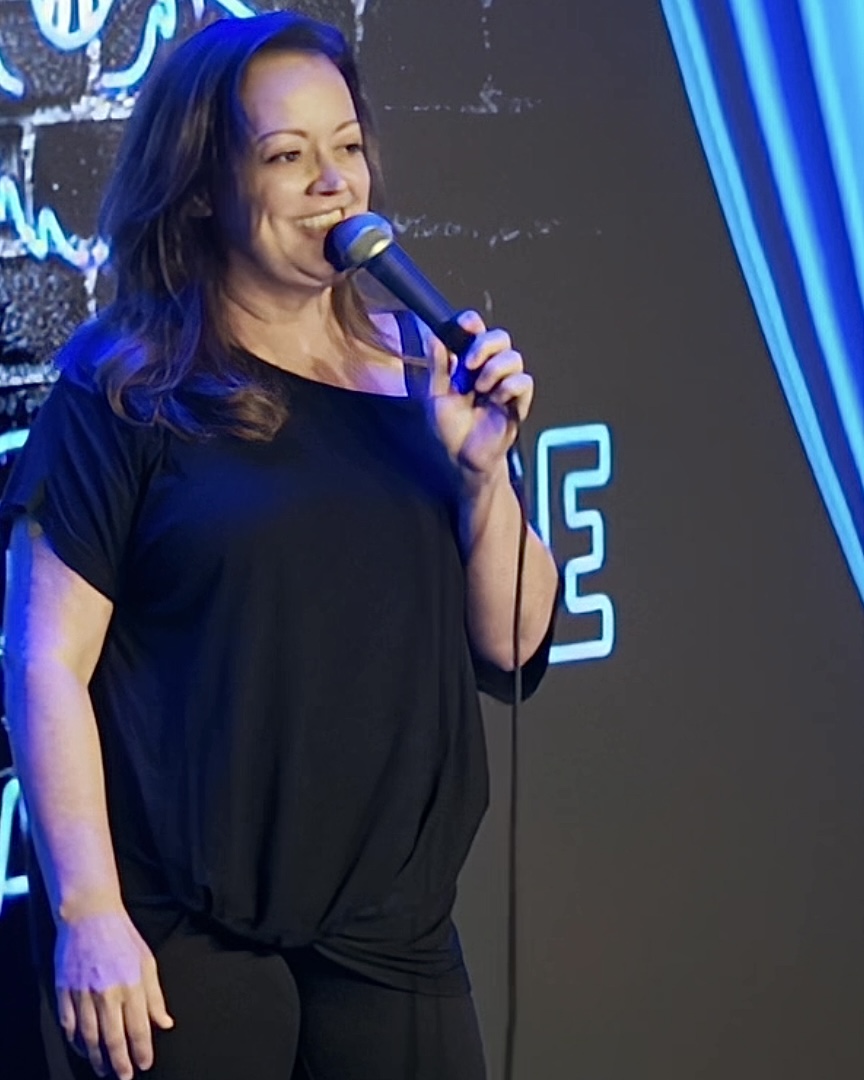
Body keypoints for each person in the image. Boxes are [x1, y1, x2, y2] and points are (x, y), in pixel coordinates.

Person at [1, 11, 560, 1080]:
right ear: (203, 188)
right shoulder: (125, 384)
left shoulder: (423, 366)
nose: (333, 183)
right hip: (187, 937)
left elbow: (513, 644)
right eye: (286, 156)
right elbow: (45, 661)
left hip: (393, 935)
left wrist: (483, 476)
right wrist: (89, 912)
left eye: (346, 146)